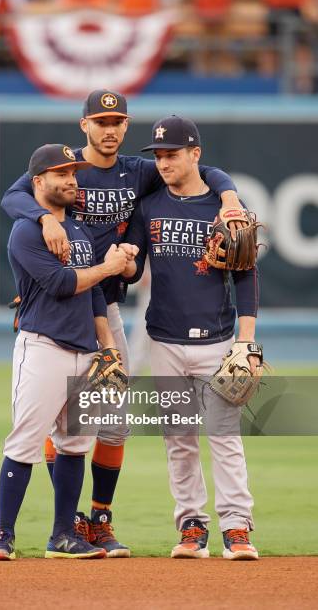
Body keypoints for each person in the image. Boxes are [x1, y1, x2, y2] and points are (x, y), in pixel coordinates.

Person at [1, 89, 243, 556]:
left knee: (110, 422)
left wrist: (229, 195)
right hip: (61, 306)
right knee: (63, 422)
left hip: (105, 306)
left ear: (126, 126)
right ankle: (67, 522)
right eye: (100, 120)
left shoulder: (141, 170)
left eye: (117, 121)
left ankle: (99, 518)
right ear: (84, 125)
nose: (109, 129)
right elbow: (16, 194)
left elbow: (204, 170)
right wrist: (45, 220)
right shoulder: (69, 167)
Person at [122, 115, 260, 560]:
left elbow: (245, 276)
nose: (163, 162)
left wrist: (246, 340)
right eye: (158, 155)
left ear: (194, 154)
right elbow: (134, 268)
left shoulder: (224, 209)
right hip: (163, 339)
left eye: (172, 154)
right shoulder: (149, 206)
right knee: (178, 439)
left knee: (224, 437)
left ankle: (237, 527)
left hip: (218, 341)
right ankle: (191, 525)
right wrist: (122, 261)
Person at [0, 143, 132, 560]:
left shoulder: (81, 231)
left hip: (86, 350)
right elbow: (63, 284)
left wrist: (108, 347)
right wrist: (109, 265)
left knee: (74, 444)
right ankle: (3, 536)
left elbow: (97, 298)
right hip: (43, 346)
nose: (71, 179)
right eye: (61, 173)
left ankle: (63, 536)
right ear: (38, 182)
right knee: (25, 442)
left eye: (73, 172)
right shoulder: (27, 231)